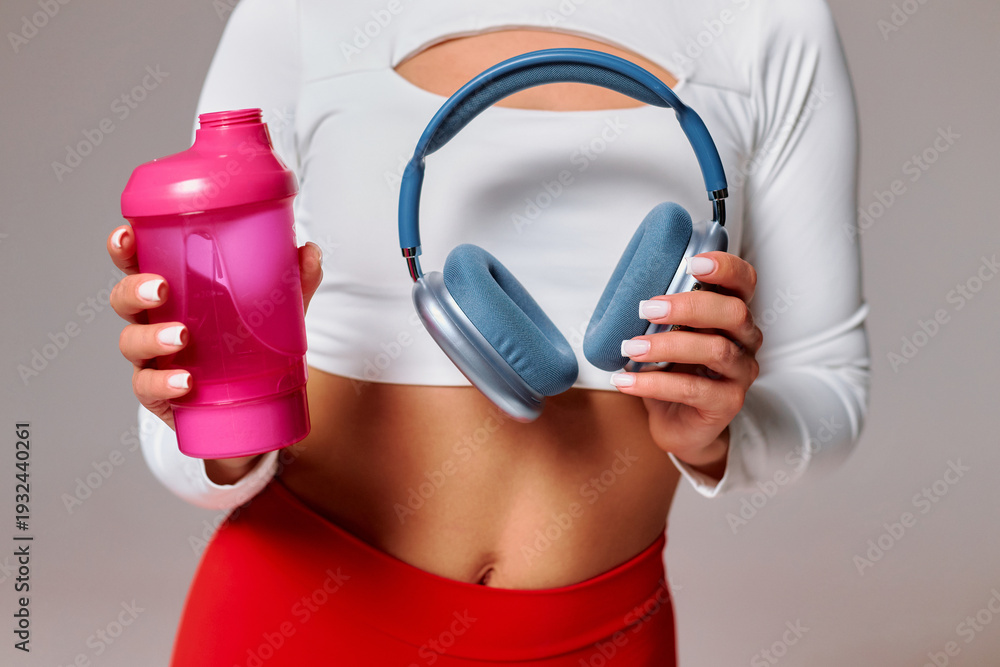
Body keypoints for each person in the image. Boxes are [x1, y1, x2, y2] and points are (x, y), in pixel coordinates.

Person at [108, 0, 870, 664]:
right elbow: (186, 466)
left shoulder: (767, 19)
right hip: (301, 614)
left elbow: (831, 389)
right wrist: (211, 422)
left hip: (599, 634)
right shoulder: (299, 13)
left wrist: (716, 436)